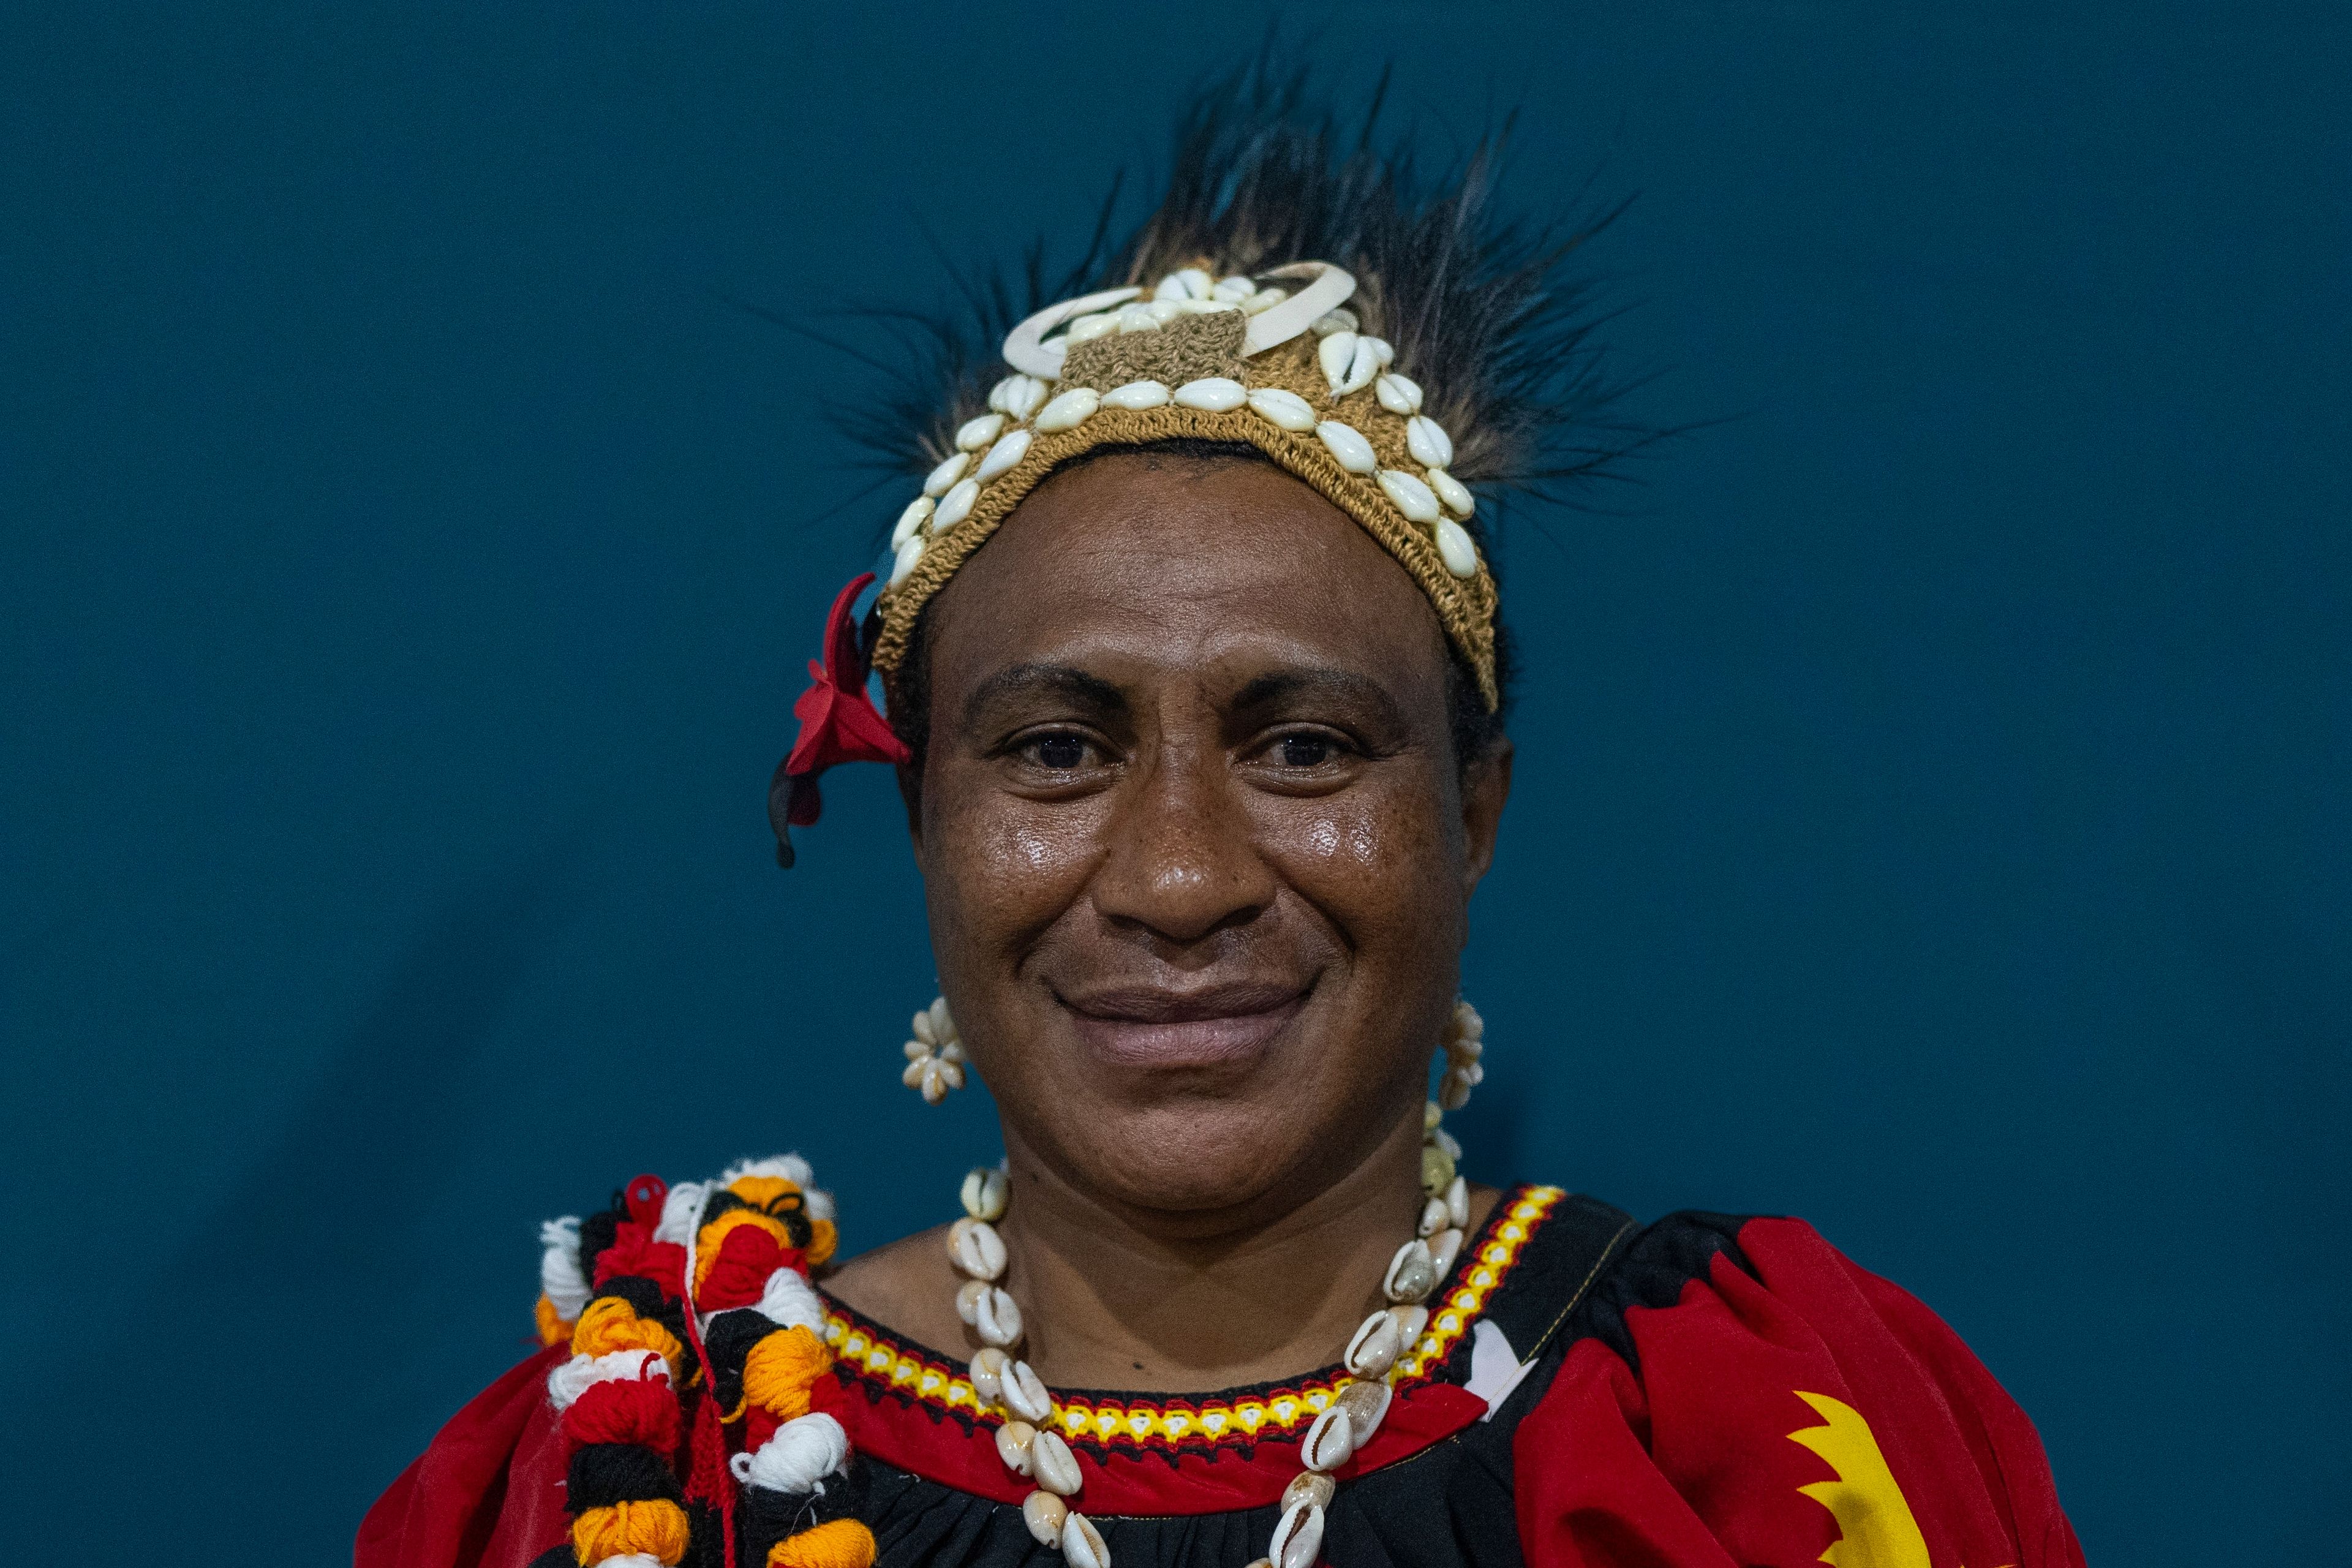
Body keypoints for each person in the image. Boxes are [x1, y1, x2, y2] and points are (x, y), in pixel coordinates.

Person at [358, 77, 2083, 1568]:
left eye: (1308, 746)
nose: (1179, 875)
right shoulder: (647, 1466)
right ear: (923, 825)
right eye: (1053, 752)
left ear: (1473, 809)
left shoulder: (1746, 1426)